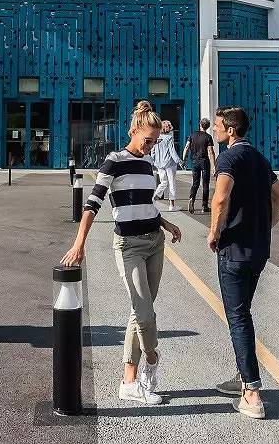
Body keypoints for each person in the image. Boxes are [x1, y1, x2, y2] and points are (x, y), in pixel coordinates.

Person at [61, 100, 182, 406]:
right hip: (128, 246)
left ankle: (129, 381)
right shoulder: (113, 161)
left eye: (155, 142)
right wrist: (79, 244)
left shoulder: (148, 163)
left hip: (155, 242)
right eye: (148, 140)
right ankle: (152, 359)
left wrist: (166, 223)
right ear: (134, 130)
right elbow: (92, 204)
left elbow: (145, 204)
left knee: (139, 312)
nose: (151, 147)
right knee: (144, 313)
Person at [208, 107, 279, 420]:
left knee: (238, 316)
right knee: (243, 311)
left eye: (218, 126)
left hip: (234, 249)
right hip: (258, 249)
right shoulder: (259, 158)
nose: (214, 130)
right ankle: (243, 375)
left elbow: (220, 197)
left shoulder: (229, 158)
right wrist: (265, 226)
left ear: (231, 130)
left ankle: (252, 393)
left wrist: (214, 232)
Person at [186, 118, 217, 214]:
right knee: (205, 184)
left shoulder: (192, 135)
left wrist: (184, 157)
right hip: (204, 162)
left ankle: (192, 199)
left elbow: (186, 147)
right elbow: (211, 152)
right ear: (208, 126)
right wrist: (214, 167)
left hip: (195, 161)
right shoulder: (208, 137)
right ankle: (204, 206)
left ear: (200, 125)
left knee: (195, 183)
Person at [151, 120, 182, 210]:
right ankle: (172, 205)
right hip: (169, 163)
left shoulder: (156, 138)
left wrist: (153, 161)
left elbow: (153, 151)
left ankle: (154, 198)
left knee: (163, 182)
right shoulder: (169, 138)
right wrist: (179, 161)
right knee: (171, 183)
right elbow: (172, 152)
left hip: (159, 163)